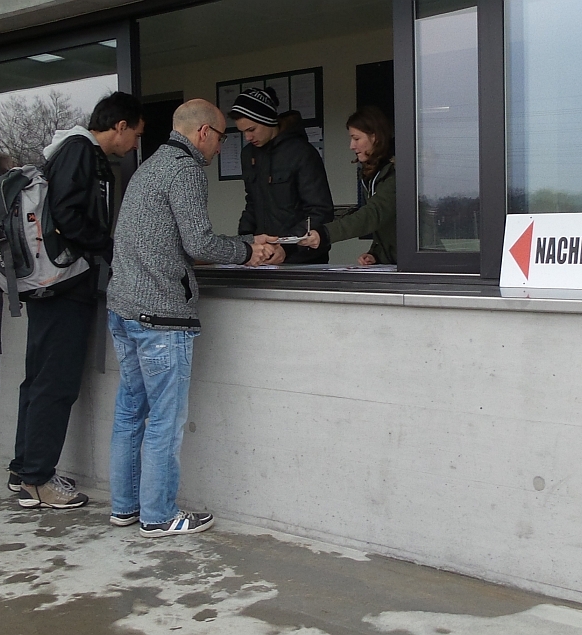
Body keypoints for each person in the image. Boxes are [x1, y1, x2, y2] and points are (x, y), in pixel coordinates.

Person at [106, 99, 278, 537]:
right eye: (222, 137)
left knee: (130, 411)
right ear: (203, 133)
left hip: (124, 308)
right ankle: (159, 516)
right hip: (161, 316)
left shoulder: (149, 166)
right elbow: (198, 241)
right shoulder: (185, 170)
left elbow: (165, 240)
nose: (222, 147)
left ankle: (125, 507)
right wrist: (247, 251)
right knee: (165, 418)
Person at [8, 92, 144, 511]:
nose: (135, 145)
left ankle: (25, 468)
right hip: (64, 284)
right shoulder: (81, 151)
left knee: (40, 378)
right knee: (56, 382)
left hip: (53, 285)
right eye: (135, 134)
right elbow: (67, 214)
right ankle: (37, 481)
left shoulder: (71, 149)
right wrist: (109, 247)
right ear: (119, 126)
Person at [231, 87, 334, 264]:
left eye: (252, 129)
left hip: (302, 257)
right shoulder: (249, 154)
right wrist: (246, 244)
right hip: (263, 255)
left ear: (268, 120)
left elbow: (320, 211)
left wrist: (287, 247)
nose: (247, 137)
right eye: (243, 132)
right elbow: (252, 202)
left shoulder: (301, 152)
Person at [298, 106, 397, 265]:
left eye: (356, 139)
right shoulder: (373, 172)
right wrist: (376, 254)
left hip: (418, 262)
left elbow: (373, 214)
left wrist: (325, 234)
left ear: (375, 137)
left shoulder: (396, 172)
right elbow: (388, 225)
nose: (352, 146)